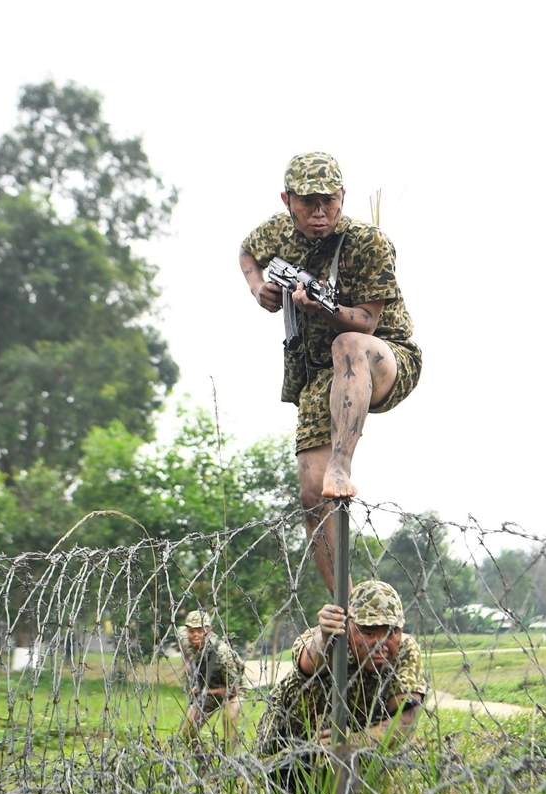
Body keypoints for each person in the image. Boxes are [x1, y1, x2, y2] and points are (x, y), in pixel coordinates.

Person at [240, 152, 422, 592]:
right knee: (310, 492)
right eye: (308, 203)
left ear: (343, 196)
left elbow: (366, 322)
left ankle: (343, 464)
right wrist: (257, 287)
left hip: (383, 358)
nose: (320, 213)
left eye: (329, 201)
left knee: (347, 344)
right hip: (320, 375)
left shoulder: (367, 242)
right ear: (287, 200)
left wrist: (320, 304)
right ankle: (346, 608)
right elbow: (247, 252)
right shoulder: (278, 232)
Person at [257, 580, 429, 757]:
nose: (380, 644)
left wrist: (354, 742)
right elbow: (311, 660)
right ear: (349, 626)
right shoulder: (330, 639)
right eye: (369, 633)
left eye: (390, 632)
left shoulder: (405, 650)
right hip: (285, 738)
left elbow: (405, 719)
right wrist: (327, 640)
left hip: (353, 742)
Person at [179, 610, 245, 752]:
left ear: (209, 630)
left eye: (200, 630)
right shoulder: (185, 638)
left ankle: (228, 763)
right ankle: (204, 766)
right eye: (191, 631)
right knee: (188, 732)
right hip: (208, 686)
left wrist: (205, 691)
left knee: (229, 717)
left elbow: (233, 689)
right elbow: (181, 638)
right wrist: (191, 676)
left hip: (232, 687)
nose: (196, 635)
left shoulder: (221, 652)